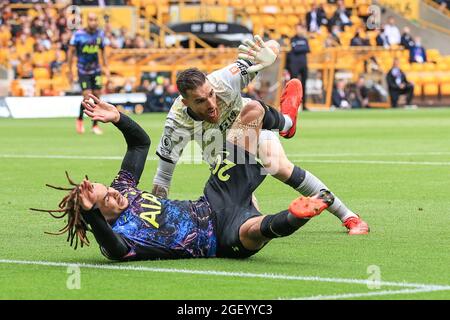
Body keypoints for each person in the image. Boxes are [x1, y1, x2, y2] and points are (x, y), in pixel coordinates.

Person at [31, 94, 335, 260]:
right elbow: (111, 247)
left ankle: (285, 121)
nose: (113, 192)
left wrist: (118, 118)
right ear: (98, 216)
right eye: (105, 198)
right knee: (254, 231)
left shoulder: (123, 188)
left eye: (105, 188)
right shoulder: (120, 239)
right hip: (218, 239)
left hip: (214, 199)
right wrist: (89, 214)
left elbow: (140, 144)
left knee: (250, 114)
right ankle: (299, 214)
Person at [152, 35, 369, 235]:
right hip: (220, 149)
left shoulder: (225, 80)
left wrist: (270, 53)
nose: (211, 104)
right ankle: (286, 123)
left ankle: (349, 217)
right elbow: (163, 178)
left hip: (251, 123)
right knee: (243, 213)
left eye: (211, 94)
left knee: (278, 166)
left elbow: (271, 46)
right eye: (200, 101)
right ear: (185, 102)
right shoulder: (176, 124)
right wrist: (154, 222)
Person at [68, 12, 110, 135]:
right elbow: (70, 52)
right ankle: (80, 119)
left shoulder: (100, 34)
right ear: (87, 21)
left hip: (96, 70)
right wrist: (70, 70)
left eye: (95, 20)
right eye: (91, 20)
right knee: (87, 97)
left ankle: (95, 125)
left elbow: (103, 52)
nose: (93, 22)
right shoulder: (78, 35)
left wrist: (106, 68)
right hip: (83, 70)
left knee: (97, 98)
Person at [287, 24, 310, 109]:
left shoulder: (304, 39)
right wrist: (302, 48)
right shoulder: (293, 39)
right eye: (298, 29)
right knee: (293, 86)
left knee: (304, 85)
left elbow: (307, 49)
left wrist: (299, 48)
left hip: (303, 64)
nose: (299, 30)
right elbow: (295, 49)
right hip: (294, 65)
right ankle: (292, 105)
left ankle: (304, 105)